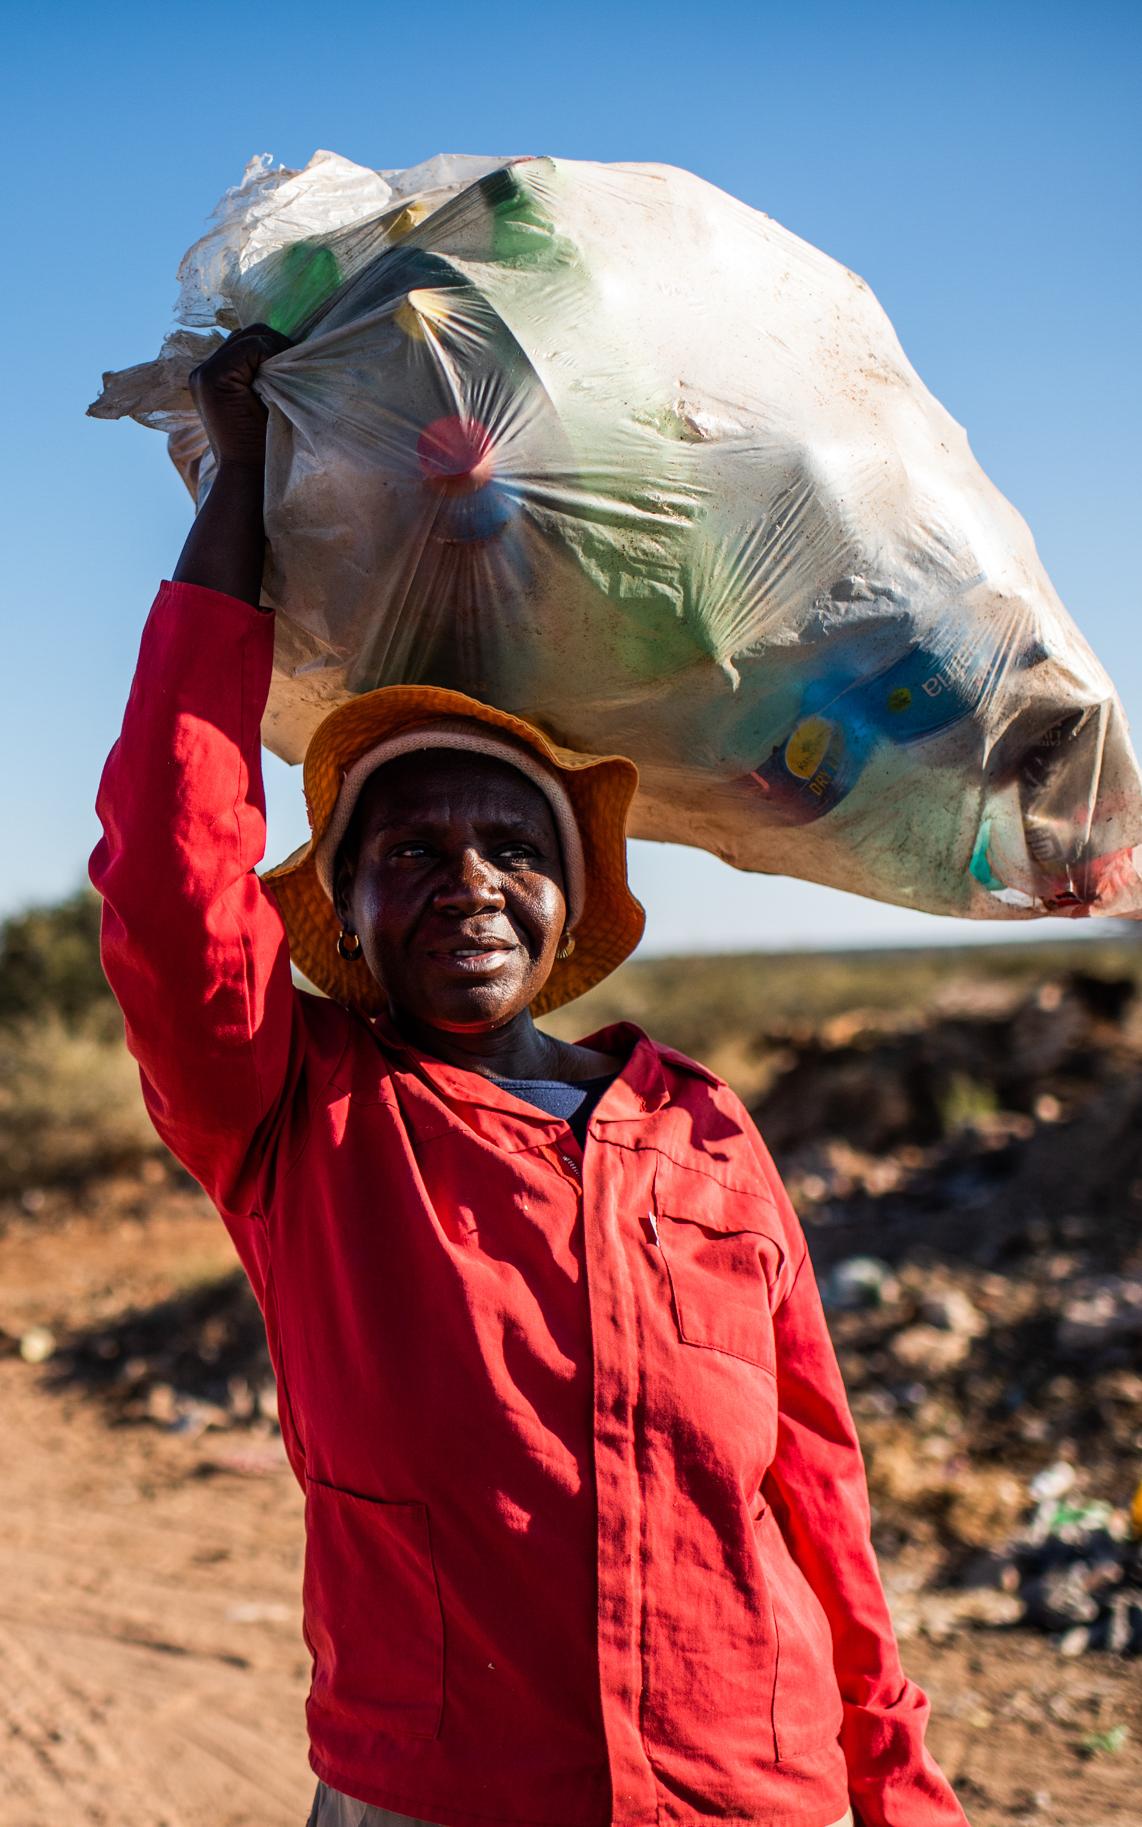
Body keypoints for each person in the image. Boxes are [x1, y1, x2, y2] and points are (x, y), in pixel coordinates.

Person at [91, 326, 968, 1827]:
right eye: (410, 855)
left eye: (512, 852)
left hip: (750, 1790)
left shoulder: (697, 1126)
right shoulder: (301, 1120)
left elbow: (812, 1483)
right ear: (344, 911)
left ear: (571, 903)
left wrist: (895, 1783)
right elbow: (175, 880)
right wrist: (242, 480)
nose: (469, 888)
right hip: (443, 1793)